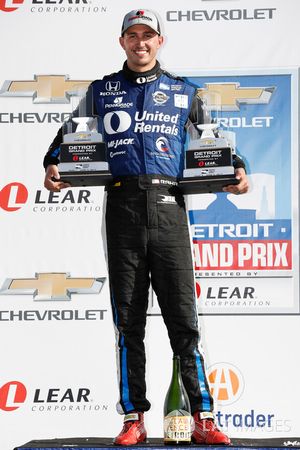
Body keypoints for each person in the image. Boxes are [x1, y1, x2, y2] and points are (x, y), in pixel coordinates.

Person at [43, 8, 249, 446]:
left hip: (170, 207)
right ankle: (133, 417)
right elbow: (63, 140)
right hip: (122, 207)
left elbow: (218, 140)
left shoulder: (184, 91)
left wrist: (239, 171)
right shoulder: (101, 91)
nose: (140, 43)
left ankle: (204, 418)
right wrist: (53, 167)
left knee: (184, 321)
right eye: (132, 36)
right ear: (122, 42)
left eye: (148, 36)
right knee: (128, 322)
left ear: (161, 41)